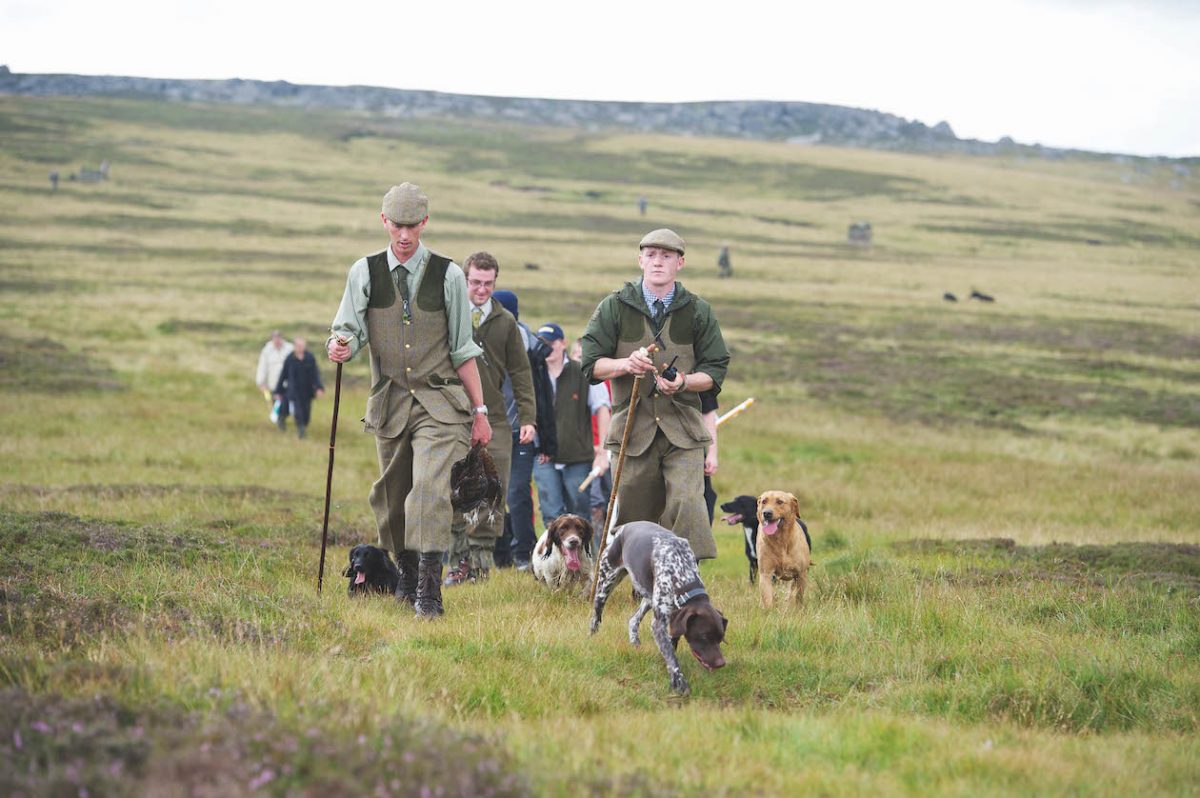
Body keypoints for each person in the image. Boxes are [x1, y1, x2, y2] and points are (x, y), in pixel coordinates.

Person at [326, 182, 491, 619]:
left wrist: (480, 412)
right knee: (391, 496)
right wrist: (340, 343)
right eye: (397, 225)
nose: (404, 235)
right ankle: (407, 574)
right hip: (390, 403)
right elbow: (348, 329)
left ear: (425, 223)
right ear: (384, 222)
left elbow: (463, 349)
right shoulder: (363, 272)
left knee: (430, 490)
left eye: (413, 226)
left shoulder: (449, 274)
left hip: (441, 405)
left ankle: (429, 594)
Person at [581, 228, 729, 561]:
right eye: (650, 255)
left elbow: (716, 370)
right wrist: (623, 364)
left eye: (666, 256)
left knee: (687, 504)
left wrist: (685, 383)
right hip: (633, 429)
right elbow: (591, 365)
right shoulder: (614, 307)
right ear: (640, 260)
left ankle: (684, 585)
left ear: (681, 262)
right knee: (635, 514)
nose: (657, 262)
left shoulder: (698, 311)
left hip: (684, 430)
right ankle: (641, 582)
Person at [443, 253, 537, 586]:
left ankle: (480, 568)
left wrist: (528, 417)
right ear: (464, 280)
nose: (482, 289)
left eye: (488, 284)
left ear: (495, 283)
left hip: (495, 419)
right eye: (475, 282)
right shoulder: (448, 314)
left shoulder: (505, 322)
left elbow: (521, 373)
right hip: (451, 415)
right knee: (453, 492)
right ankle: (457, 564)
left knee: (491, 494)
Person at [489, 289, 556, 571]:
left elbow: (542, 396)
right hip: (488, 431)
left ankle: (523, 555)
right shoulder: (483, 341)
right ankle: (495, 552)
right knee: (489, 494)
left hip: (521, 433)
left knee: (516, 492)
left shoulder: (529, 346)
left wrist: (547, 442)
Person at [534, 322, 611, 528]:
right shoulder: (533, 373)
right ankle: (554, 559)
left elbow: (603, 408)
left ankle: (583, 559)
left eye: (551, 343)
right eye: (541, 343)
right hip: (543, 455)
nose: (546, 348)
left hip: (578, 457)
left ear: (563, 344)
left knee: (579, 514)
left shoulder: (582, 372)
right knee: (551, 514)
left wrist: (603, 452)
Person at [273, 338, 324, 439]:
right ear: (295, 347)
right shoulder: (290, 359)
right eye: (298, 346)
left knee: (306, 414)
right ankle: (301, 432)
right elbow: (283, 375)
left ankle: (303, 426)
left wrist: (319, 387)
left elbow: (315, 374)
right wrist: (278, 391)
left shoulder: (310, 358)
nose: (300, 348)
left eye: (302, 346)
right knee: (298, 412)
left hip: (307, 390)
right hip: (294, 391)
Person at [256, 330, 293, 430]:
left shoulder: (289, 349)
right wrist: (261, 382)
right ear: (272, 339)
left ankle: (282, 419)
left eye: (278, 338)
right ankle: (280, 422)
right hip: (273, 385)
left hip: (287, 384)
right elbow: (262, 367)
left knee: (286, 404)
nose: (277, 341)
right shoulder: (267, 350)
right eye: (275, 338)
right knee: (276, 405)